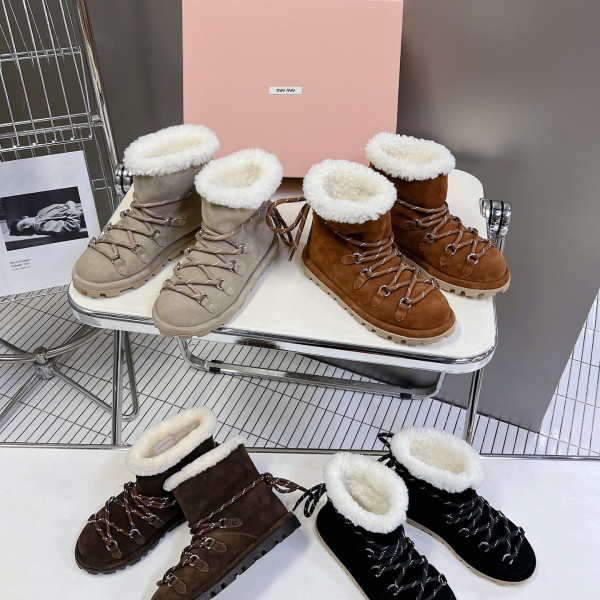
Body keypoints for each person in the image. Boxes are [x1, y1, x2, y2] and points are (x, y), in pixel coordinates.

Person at [9, 200, 84, 236]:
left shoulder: (41, 212)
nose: (27, 227)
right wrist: (72, 207)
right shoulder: (40, 226)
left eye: (23, 225)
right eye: (25, 231)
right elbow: (71, 227)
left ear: (25, 217)